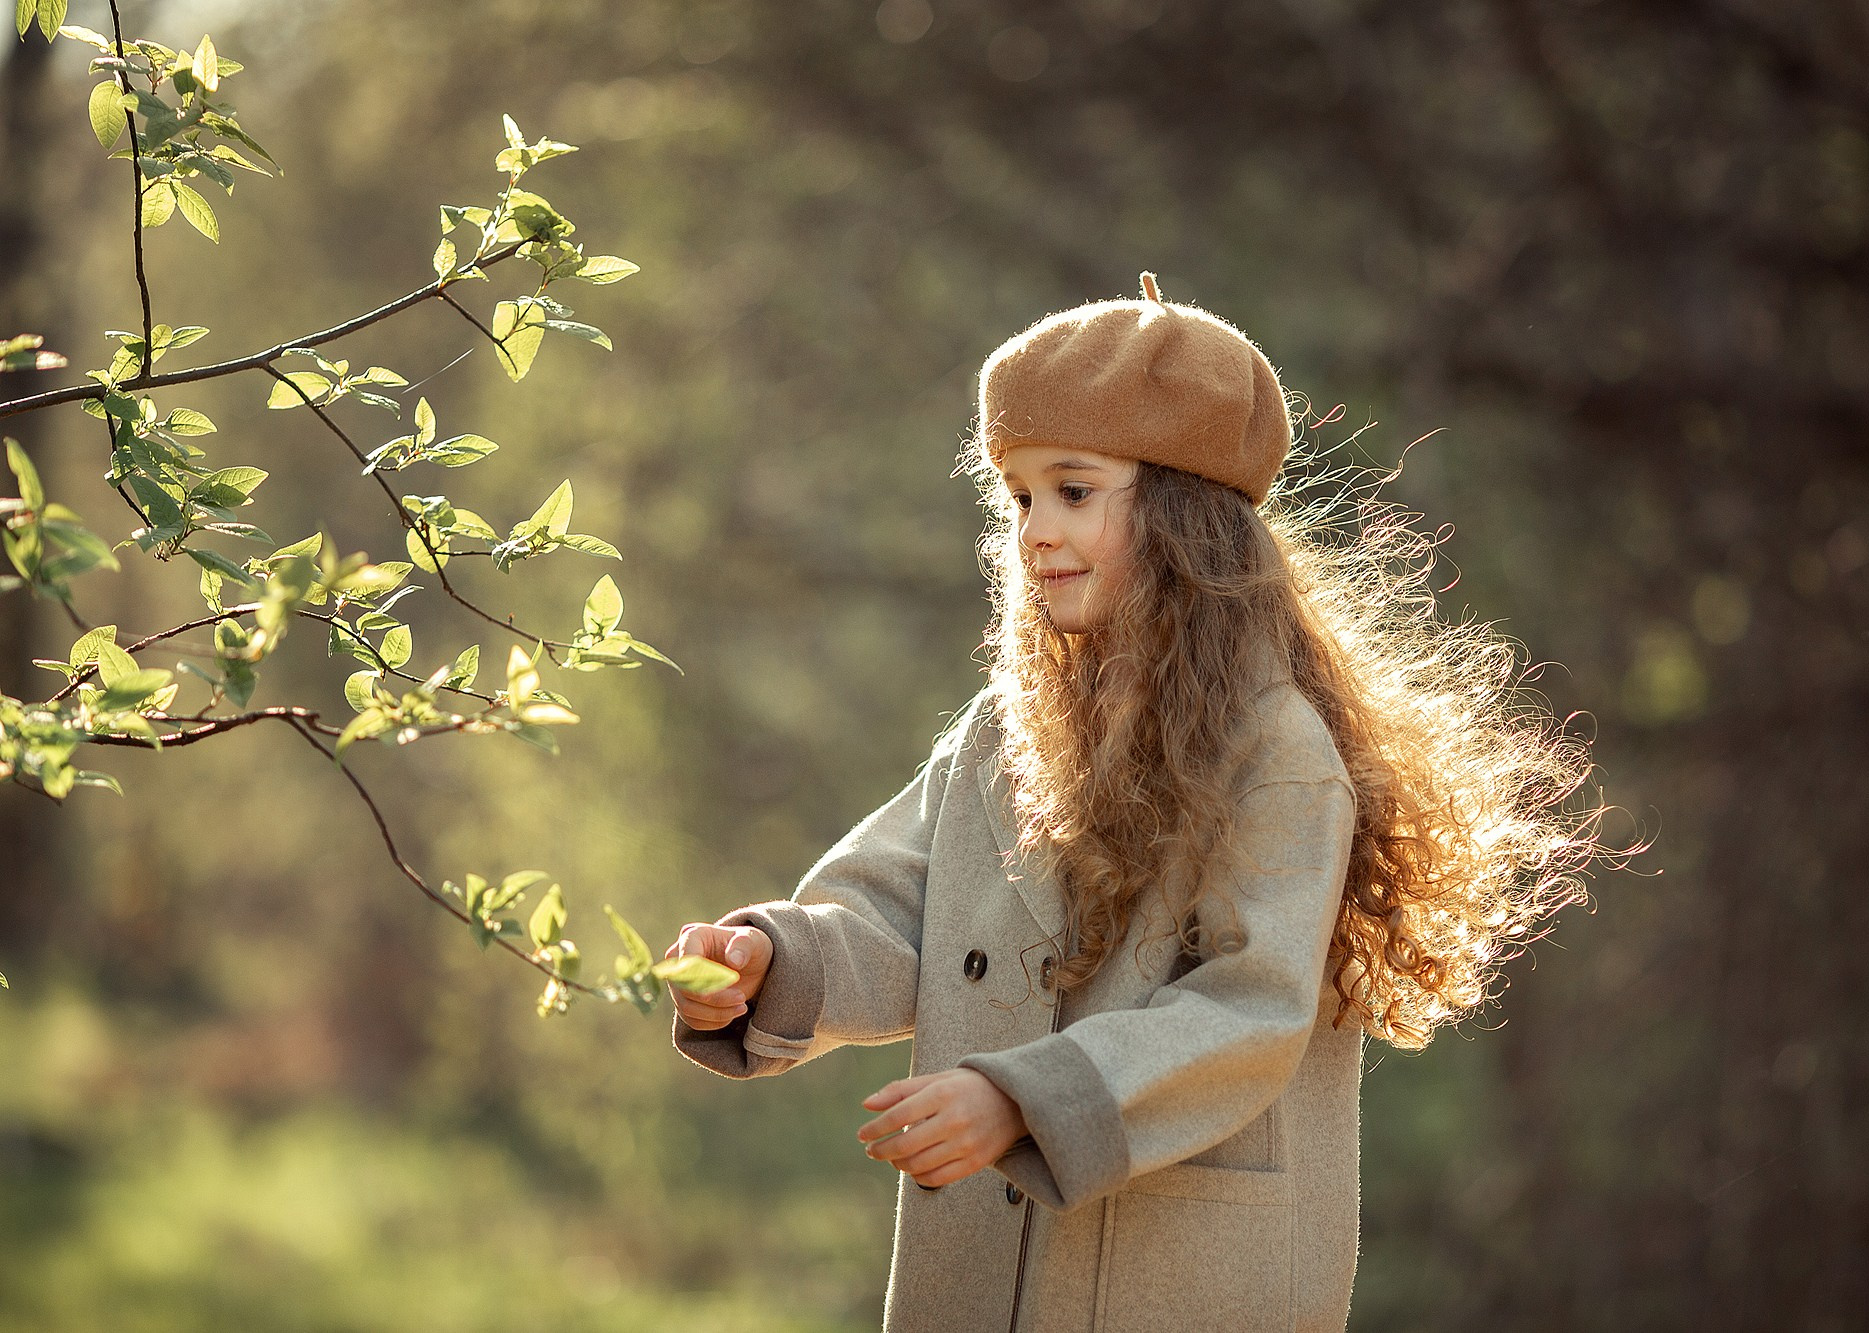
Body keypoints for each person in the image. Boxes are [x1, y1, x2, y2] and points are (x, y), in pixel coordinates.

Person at [666, 272, 1604, 1332]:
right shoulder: (1003, 730)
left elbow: (1248, 1007)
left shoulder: (1278, 751)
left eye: (1073, 491)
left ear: (1183, 515)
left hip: (1180, 1274)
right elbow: (896, 912)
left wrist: (1022, 1099)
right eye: (1019, 496)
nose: (1035, 530)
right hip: (978, 1271)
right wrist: (767, 962)